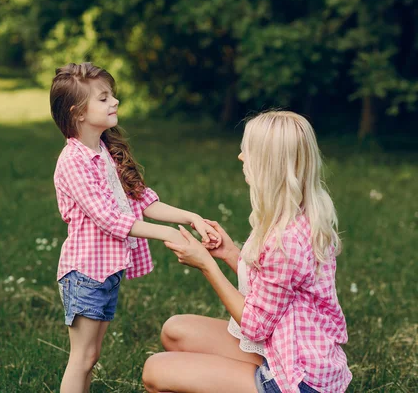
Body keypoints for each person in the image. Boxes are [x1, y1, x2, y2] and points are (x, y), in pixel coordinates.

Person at [143, 111, 352, 393]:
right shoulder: (296, 214)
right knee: (175, 331)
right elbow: (272, 287)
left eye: (247, 150)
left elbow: (255, 326)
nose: (241, 157)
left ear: (269, 164)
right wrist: (230, 253)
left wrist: (207, 265)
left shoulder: (285, 240)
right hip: (289, 347)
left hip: (297, 379)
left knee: (155, 370)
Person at [50, 62, 221, 393]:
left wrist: (190, 218)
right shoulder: (73, 161)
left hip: (105, 271)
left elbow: (143, 201)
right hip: (85, 273)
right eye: (103, 98)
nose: (114, 102)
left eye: (111, 95)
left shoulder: (104, 151)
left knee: (91, 355)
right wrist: (168, 235)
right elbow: (108, 218)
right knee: (82, 358)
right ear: (78, 113)